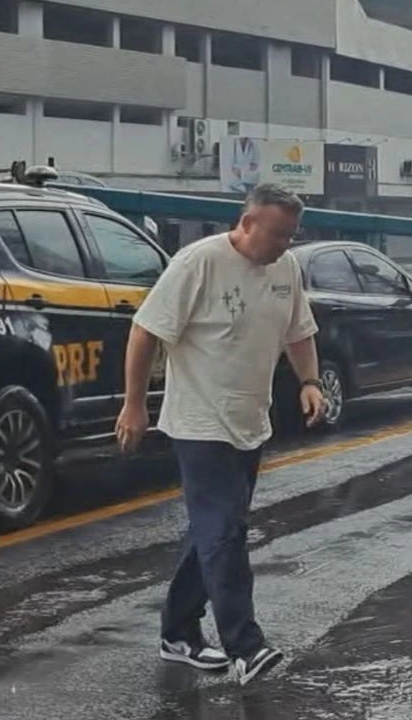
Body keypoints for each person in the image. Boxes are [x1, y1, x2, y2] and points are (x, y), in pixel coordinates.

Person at [116, 184, 329, 686]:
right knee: (224, 532)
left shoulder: (285, 268)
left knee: (213, 532)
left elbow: (299, 331)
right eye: (276, 234)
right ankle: (245, 647)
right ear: (247, 222)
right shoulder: (198, 264)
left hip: (250, 421)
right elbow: (146, 331)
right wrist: (134, 404)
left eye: (291, 236)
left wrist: (310, 382)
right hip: (199, 421)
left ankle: (178, 632)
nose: (284, 245)